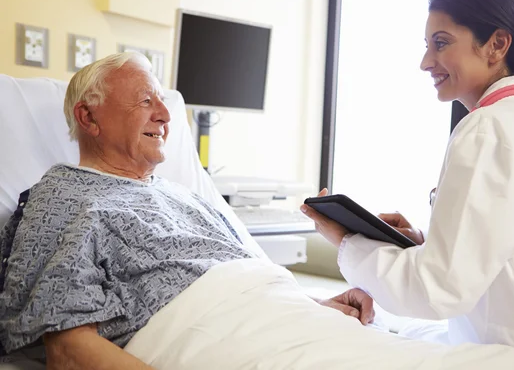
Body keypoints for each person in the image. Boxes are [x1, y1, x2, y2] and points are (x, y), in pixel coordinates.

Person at [0, 52, 375, 369]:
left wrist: (319, 304)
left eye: (162, 101)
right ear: (88, 118)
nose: (165, 115)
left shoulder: (186, 197)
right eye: (146, 101)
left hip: (288, 319)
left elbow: (240, 278)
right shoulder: (63, 197)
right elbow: (67, 347)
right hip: (216, 336)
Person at [301, 0, 514, 369]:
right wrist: (431, 238)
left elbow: (437, 289)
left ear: (497, 44)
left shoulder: (487, 128)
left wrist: (347, 242)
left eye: (441, 43)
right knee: (400, 328)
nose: (426, 62)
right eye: (426, 46)